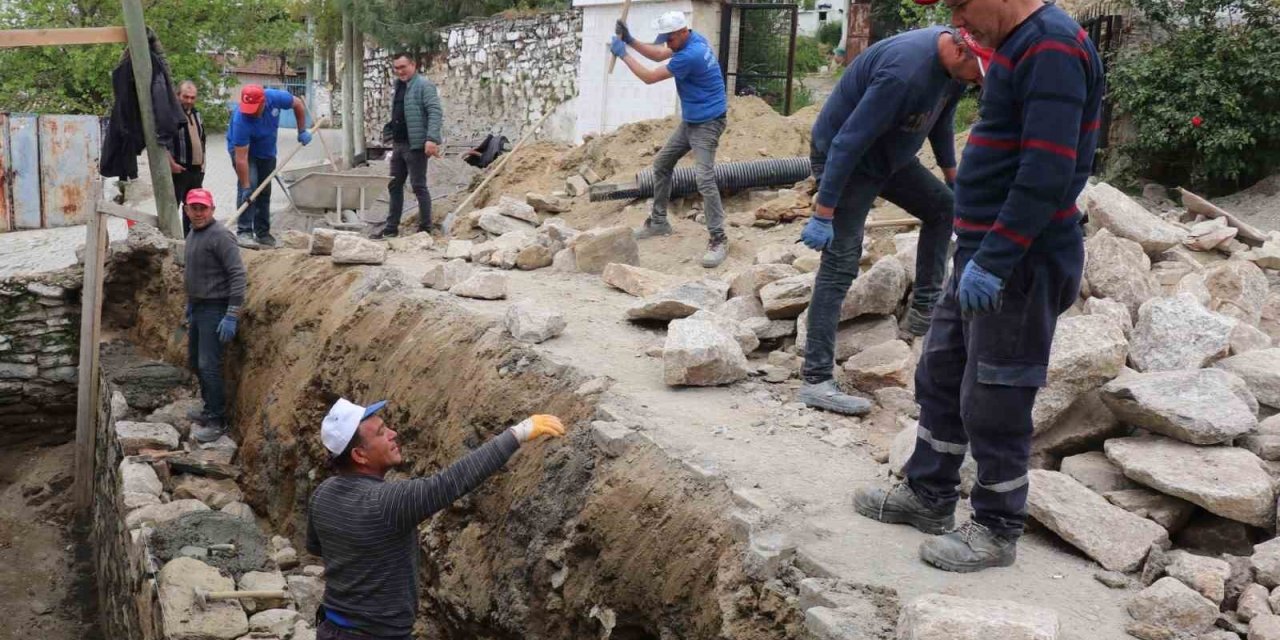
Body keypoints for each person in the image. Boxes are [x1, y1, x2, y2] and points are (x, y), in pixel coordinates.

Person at [853, 0, 1104, 573]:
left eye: (961, 4)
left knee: (997, 394)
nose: (957, 21)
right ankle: (929, 492)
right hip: (984, 249)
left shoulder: (1051, 47)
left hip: (1020, 259)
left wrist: (995, 259)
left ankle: (996, 525)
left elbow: (1047, 171)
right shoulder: (1017, 43)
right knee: (942, 371)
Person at [795, 27, 984, 417]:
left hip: (890, 158)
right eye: (978, 73)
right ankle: (816, 379)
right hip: (847, 162)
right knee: (841, 261)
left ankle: (923, 314)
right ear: (960, 51)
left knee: (943, 208)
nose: (979, 81)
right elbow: (848, 141)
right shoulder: (904, 73)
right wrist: (824, 211)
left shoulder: (955, 72)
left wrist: (953, 178)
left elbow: (941, 122)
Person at [306, 399, 565, 639]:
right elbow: (450, 482)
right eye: (381, 432)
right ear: (359, 455)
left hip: (331, 628)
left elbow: (317, 548)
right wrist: (517, 434)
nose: (393, 433)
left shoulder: (322, 494)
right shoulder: (386, 503)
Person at [612, 11, 731, 268]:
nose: (667, 43)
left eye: (670, 38)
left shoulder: (691, 55)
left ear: (682, 32)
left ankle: (718, 238)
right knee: (662, 165)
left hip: (708, 123)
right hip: (692, 120)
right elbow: (657, 55)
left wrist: (623, 54)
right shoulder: (692, 39)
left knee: (704, 178)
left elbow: (649, 77)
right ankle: (659, 222)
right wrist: (630, 40)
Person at [182, 188, 247, 443]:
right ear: (186, 210)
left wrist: (231, 314)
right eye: (194, 208)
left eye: (203, 208)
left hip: (215, 308)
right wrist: (190, 302)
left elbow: (238, 275)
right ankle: (209, 408)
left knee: (209, 365)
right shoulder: (193, 233)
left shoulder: (221, 236)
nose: (198, 213)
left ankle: (218, 420)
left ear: (212, 210)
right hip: (199, 307)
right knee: (196, 361)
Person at [228, 84, 310, 248]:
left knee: (264, 191)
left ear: (263, 102)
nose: (250, 112)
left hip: (267, 151)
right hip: (244, 153)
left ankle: (263, 233)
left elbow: (298, 104)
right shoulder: (240, 120)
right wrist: (246, 186)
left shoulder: (275, 97)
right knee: (250, 188)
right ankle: (244, 232)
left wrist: (301, 130)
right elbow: (241, 159)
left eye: (254, 108)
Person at [375, 53, 444, 240]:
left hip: (416, 145)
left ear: (413, 65)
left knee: (418, 186)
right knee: (394, 185)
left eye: (403, 67)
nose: (400, 71)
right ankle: (391, 229)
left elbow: (435, 112)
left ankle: (425, 229)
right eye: (396, 68)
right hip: (398, 145)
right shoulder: (399, 86)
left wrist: (431, 139)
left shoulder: (424, 85)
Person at [171, 80, 206, 236]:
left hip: (196, 170)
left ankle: (191, 239)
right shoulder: (171, 114)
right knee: (173, 206)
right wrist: (171, 164)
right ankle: (171, 238)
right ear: (178, 95)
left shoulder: (197, 114)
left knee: (194, 207)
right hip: (178, 169)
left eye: (192, 97)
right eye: (186, 97)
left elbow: (202, 139)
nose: (189, 101)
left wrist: (203, 164)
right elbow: (162, 142)